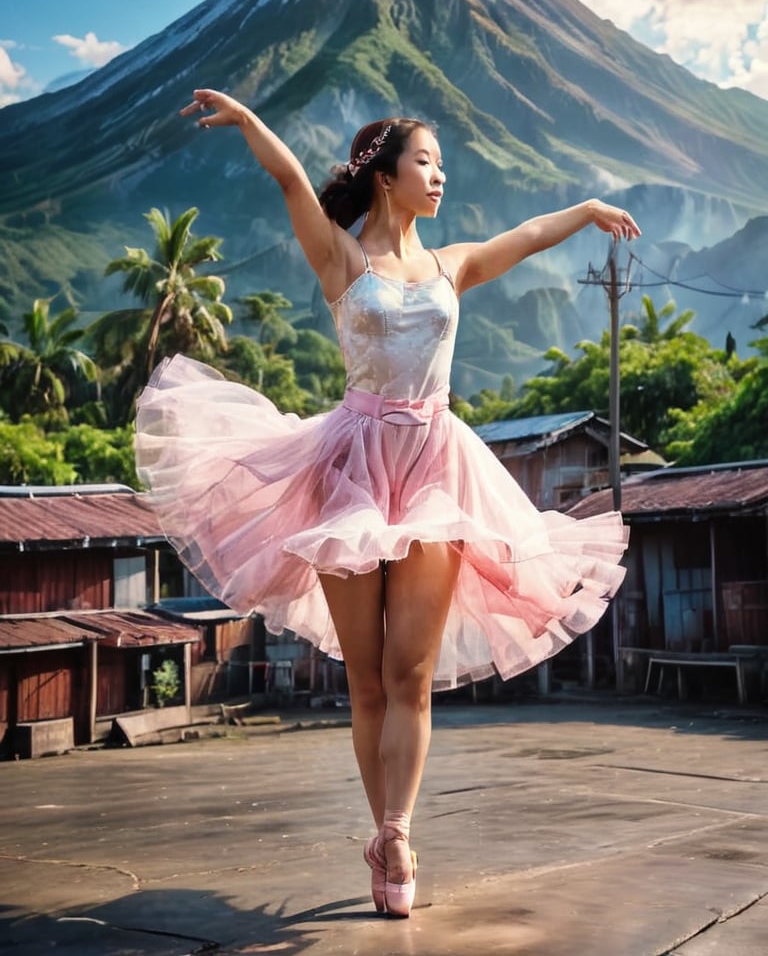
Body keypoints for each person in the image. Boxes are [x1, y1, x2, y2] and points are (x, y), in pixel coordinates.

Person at [135, 88, 641, 919]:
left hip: (437, 473)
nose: (440, 176)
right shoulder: (342, 261)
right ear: (384, 176)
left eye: (441, 165)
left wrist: (586, 208)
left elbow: (524, 237)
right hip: (350, 474)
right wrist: (252, 124)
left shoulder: (454, 265)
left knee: (411, 674)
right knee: (366, 681)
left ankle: (398, 834)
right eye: (426, 162)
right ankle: (382, 830)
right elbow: (294, 182)